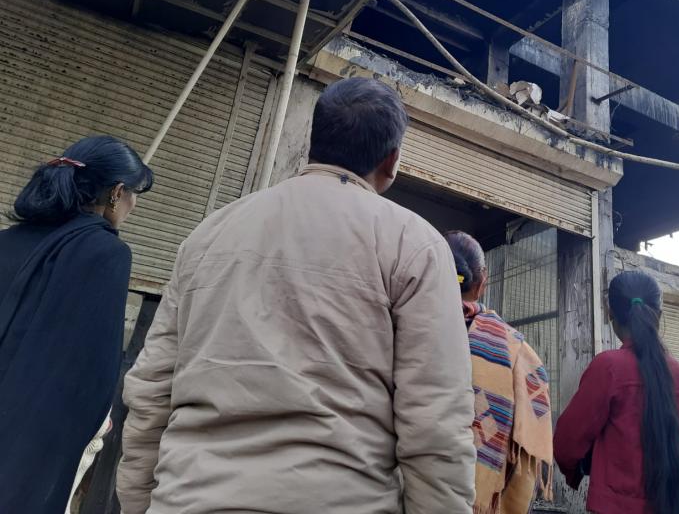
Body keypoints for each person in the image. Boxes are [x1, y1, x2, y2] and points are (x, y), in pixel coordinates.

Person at [117, 77, 476, 514]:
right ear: (392, 161)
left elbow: (152, 388)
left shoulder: (210, 234)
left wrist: (138, 503)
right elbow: (436, 422)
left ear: (314, 142)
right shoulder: (414, 244)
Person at [0, 135, 153, 514]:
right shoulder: (105, 253)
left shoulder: (7, 241)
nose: (134, 206)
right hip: (27, 447)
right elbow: (89, 370)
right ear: (117, 193)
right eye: (135, 194)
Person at [553, 270, 679, 514]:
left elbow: (566, 443)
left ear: (610, 313)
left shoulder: (609, 368)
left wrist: (579, 468)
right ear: (659, 315)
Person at [445, 231, 553, 514]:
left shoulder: (402, 332)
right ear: (482, 283)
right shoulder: (518, 352)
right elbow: (525, 463)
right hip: (480, 500)